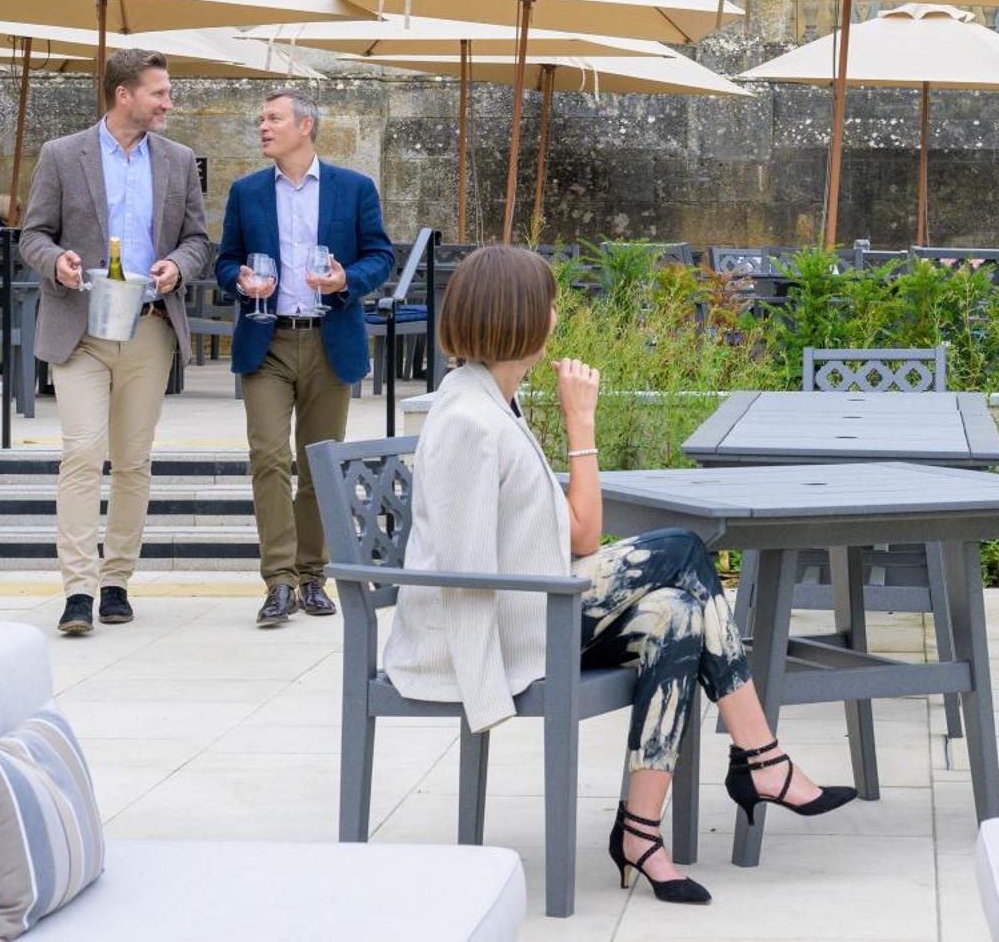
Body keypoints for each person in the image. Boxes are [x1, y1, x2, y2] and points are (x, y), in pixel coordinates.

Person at [384, 246, 855, 904]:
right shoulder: (467, 419)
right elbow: (467, 571)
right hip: (504, 626)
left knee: (680, 613)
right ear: (519, 317)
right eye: (548, 303)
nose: (556, 315)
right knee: (685, 551)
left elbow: (579, 535)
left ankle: (640, 833)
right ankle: (763, 758)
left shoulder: (496, 403)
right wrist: (483, 688)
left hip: (537, 606)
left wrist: (582, 425)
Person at [19, 48, 209, 636]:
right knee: (81, 453)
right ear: (123, 94)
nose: (168, 102)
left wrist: (179, 265)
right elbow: (32, 236)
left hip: (148, 330)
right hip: (79, 330)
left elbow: (199, 239)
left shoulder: (178, 161)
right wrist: (58, 263)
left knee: (132, 462)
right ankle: (77, 589)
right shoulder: (61, 154)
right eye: (159, 92)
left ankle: (116, 580)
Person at [215, 89, 393, 627]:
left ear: (305, 126)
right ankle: (278, 582)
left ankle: (312, 575)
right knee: (268, 458)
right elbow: (225, 262)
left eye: (273, 118)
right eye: (261, 119)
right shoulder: (246, 192)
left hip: (329, 338)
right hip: (265, 339)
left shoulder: (353, 188)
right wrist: (239, 280)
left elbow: (381, 255)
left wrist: (347, 279)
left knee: (319, 465)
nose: (263, 127)